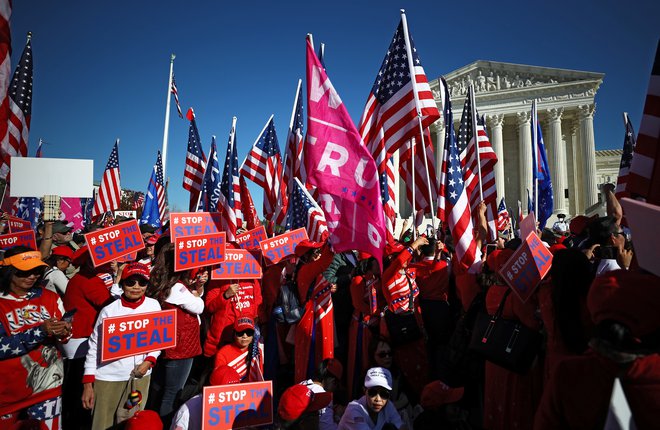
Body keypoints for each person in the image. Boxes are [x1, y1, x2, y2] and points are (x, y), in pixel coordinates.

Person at [82, 262, 161, 429]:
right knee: (102, 425)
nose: (136, 287)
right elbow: (94, 347)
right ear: (121, 283)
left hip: (139, 380)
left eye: (142, 282)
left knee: (131, 422)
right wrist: (88, 383)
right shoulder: (109, 311)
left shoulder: (154, 305)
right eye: (130, 282)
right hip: (109, 379)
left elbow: (159, 340)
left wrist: (149, 361)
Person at [0, 246, 71, 430]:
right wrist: (40, 331)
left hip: (48, 387)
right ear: (9, 272)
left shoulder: (50, 297)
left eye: (37, 271)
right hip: (7, 395)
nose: (32, 276)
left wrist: (64, 331)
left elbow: (65, 337)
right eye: (25, 272)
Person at [146, 243, 205, 424]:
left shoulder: (160, 281)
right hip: (180, 347)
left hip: (168, 344)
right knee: (172, 392)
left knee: (159, 387)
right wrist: (195, 292)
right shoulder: (175, 287)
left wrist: (195, 288)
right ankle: (165, 424)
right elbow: (199, 307)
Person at [61, 246, 114, 429]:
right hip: (82, 338)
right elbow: (108, 305)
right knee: (79, 387)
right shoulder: (89, 279)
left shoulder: (82, 277)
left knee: (74, 385)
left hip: (77, 337)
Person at [338, 367, 403, 430]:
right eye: (373, 392)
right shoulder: (353, 410)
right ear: (364, 390)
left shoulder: (388, 406)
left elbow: (401, 427)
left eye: (384, 394)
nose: (378, 399)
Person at [212, 317, 264, 382]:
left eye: (249, 333)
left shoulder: (257, 352)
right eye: (240, 333)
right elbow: (219, 380)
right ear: (234, 334)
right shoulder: (223, 353)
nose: (245, 336)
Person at [300, 358, 344, 430]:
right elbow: (328, 428)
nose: (335, 389)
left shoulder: (303, 384)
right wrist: (338, 417)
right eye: (336, 385)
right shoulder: (323, 396)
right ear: (332, 381)